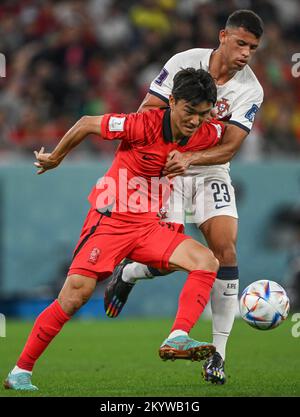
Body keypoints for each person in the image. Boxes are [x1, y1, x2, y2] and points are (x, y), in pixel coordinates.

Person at [4, 68, 225, 391]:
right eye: (189, 112)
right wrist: (55, 158)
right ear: (173, 101)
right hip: (110, 220)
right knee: (74, 296)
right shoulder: (141, 125)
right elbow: (85, 124)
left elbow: (228, 134)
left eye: (202, 114)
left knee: (207, 262)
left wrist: (199, 152)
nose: (194, 121)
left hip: (149, 226)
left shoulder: (205, 131)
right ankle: (20, 372)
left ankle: (178, 336)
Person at [104, 9, 264, 385]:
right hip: (167, 167)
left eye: (253, 48)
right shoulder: (184, 62)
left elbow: (228, 148)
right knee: (166, 258)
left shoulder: (251, 89)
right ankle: (129, 272)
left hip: (208, 168)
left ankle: (218, 356)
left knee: (225, 251)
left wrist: (192, 153)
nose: (245, 53)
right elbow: (148, 112)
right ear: (223, 36)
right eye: (241, 43)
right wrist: (174, 147)